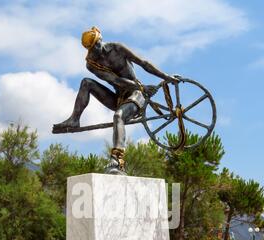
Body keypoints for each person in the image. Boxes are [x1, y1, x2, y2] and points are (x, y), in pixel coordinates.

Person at [53, 26, 179, 174]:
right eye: (92, 48)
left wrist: (166, 77)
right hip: (118, 96)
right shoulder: (92, 63)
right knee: (86, 83)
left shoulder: (117, 48)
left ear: (101, 39)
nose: (96, 50)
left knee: (118, 116)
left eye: (97, 45)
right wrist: (144, 86)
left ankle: (117, 161)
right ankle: (75, 119)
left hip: (136, 94)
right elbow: (115, 80)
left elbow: (143, 63)